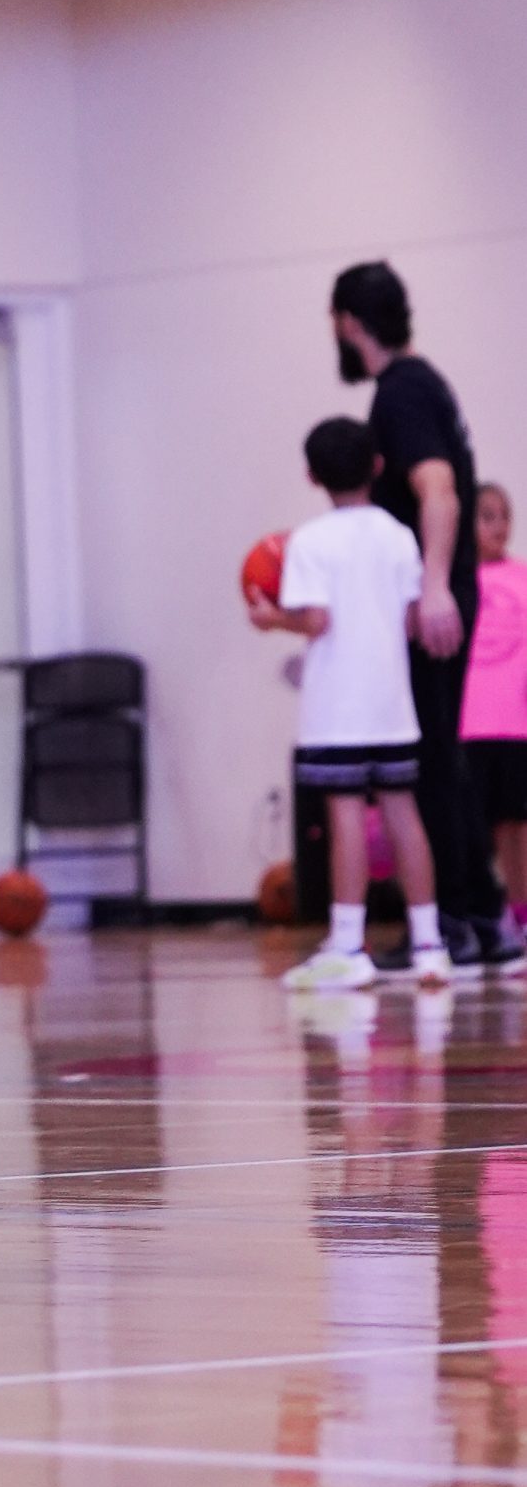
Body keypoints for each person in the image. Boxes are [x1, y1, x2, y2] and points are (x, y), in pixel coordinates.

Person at [331, 260, 523, 971]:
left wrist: (434, 587)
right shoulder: (425, 380)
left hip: (435, 598)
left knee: (431, 759)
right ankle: (481, 918)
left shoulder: (402, 392)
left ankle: (458, 920)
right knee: (443, 754)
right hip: (442, 591)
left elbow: (438, 490)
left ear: (349, 323)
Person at [248, 417, 452, 989]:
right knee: (402, 813)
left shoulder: (309, 541)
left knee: (345, 821)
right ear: (379, 466)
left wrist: (271, 621)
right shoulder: (399, 535)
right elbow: (414, 618)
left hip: (336, 710)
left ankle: (345, 945)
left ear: (312, 476)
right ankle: (430, 943)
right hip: (392, 705)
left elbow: (316, 620)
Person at [462, 484, 527, 928]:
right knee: (469, 829)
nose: (499, 526)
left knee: (515, 826)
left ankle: (519, 912)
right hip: (466, 726)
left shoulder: (522, 576)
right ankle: (473, 913)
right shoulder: (455, 581)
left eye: (504, 516)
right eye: (487, 516)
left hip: (515, 724)